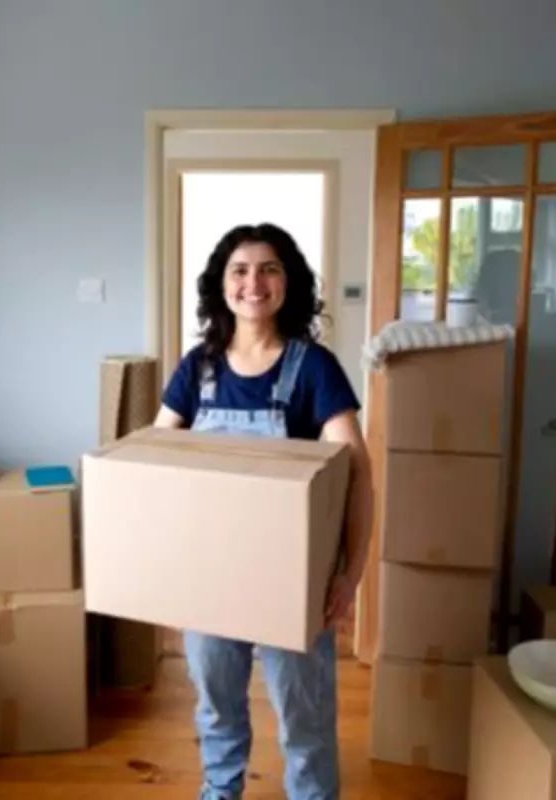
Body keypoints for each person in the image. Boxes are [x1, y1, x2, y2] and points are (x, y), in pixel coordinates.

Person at [154, 222, 374, 800]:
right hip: (210, 579)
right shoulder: (197, 369)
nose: (254, 282)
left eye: (269, 269)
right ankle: (219, 791)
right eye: (240, 270)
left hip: (293, 583)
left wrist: (350, 575)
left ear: (288, 282)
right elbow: (152, 465)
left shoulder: (314, 368)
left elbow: (358, 473)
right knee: (217, 708)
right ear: (221, 285)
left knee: (305, 716)